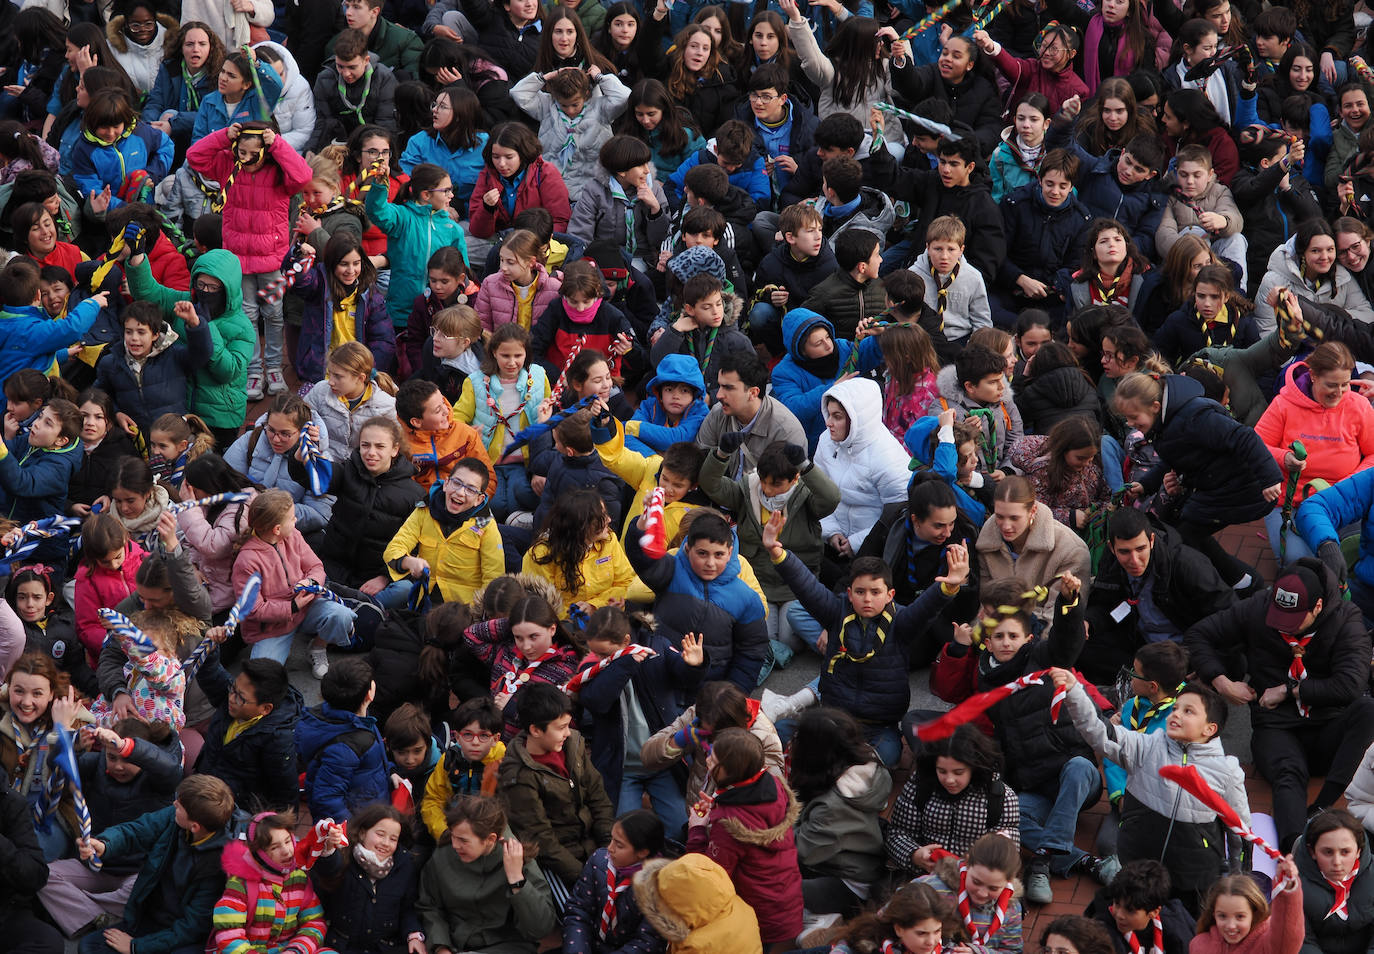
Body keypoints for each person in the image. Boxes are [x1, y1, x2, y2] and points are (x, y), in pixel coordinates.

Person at [1185, 562, 1374, 852]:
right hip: (1276, 728)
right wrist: (1222, 682)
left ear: (1318, 606)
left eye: (1295, 618)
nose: (1284, 625)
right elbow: (1200, 635)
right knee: (1288, 775)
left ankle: (1321, 809)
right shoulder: (1258, 607)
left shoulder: (1347, 620)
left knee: (1367, 710)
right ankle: (1294, 849)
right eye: (1280, 615)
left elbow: (1350, 684)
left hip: (1327, 726)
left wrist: (1289, 690)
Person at [1055, 665, 1248, 909]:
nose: (1176, 714)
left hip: (1193, 876)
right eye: (1175, 708)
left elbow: (1241, 832)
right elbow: (1099, 734)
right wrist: (1075, 693)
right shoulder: (1146, 748)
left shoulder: (1226, 771)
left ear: (1210, 728)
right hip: (1138, 867)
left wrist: (1239, 878)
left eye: (1188, 711)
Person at [1117, 371, 1283, 587]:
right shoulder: (1164, 422)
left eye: (1134, 417)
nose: (1130, 423)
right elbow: (1171, 457)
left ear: (1155, 407)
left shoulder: (1196, 417)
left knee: (1185, 535)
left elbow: (1245, 437)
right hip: (1214, 485)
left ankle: (1240, 584)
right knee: (1182, 532)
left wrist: (1269, 478)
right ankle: (1238, 581)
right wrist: (1147, 484)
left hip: (1239, 488)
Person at [76, 774, 236, 954]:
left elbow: (192, 926)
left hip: (180, 935)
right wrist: (105, 845)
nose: (174, 804)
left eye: (179, 805)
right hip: (148, 918)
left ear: (195, 827)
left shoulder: (217, 864)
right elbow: (138, 831)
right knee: (90, 947)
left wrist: (136, 947)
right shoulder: (177, 819)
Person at [1078, 508, 1233, 685]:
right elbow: (1106, 605)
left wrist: (1206, 663)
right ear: (1111, 548)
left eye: (1140, 549)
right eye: (1124, 552)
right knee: (1078, 645)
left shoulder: (1187, 564)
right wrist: (1088, 621)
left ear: (1151, 540)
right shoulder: (1111, 561)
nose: (1134, 561)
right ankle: (1144, 683)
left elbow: (1228, 616)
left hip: (1185, 653)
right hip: (1140, 645)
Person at [124, 246, 254, 452]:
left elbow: (227, 371)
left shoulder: (242, 326)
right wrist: (137, 256)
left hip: (220, 416)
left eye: (213, 288)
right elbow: (149, 292)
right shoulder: (185, 303)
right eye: (201, 284)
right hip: (181, 407)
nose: (205, 292)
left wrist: (203, 326)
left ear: (228, 289)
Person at [1255, 342, 1374, 562]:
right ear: (1312, 376)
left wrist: (1350, 485)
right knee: (1303, 563)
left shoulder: (1359, 406)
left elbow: (1372, 454)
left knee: (1353, 556)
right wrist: (1284, 458)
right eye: (1331, 385)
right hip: (1292, 504)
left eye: (1345, 384)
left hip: (1343, 500)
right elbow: (1255, 447)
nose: (1339, 393)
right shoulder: (1284, 404)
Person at [685, 726, 802, 951]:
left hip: (760, 919)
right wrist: (719, 805)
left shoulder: (731, 826)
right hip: (786, 902)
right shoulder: (772, 785)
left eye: (713, 758)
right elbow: (750, 814)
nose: (707, 759)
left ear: (729, 771)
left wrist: (697, 829)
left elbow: (708, 878)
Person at [500, 681, 614, 902]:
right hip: (560, 862)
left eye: (567, 725)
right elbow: (543, 841)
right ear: (535, 730)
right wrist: (587, 876)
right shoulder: (518, 775)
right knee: (583, 910)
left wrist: (609, 852)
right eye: (560, 728)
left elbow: (599, 799)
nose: (568, 734)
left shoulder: (574, 746)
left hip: (595, 848)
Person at [230, 489, 358, 674]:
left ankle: (318, 646)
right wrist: (292, 607)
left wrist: (311, 581)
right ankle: (281, 647)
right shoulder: (247, 561)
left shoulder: (293, 535)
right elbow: (253, 609)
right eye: (292, 518)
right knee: (261, 677)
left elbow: (315, 566)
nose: (295, 521)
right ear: (277, 529)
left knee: (342, 616)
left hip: (306, 608)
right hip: (272, 628)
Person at [416, 793, 558, 954]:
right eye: (453, 836)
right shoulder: (442, 855)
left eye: (463, 840)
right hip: (456, 945)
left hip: (508, 947)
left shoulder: (518, 858)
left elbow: (540, 928)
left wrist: (517, 880)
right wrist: (440, 946)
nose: (455, 845)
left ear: (490, 839)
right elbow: (429, 906)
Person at [789, 708, 892, 921]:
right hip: (852, 857)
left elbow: (802, 851)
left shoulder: (832, 806)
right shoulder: (870, 767)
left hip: (849, 881)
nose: (793, 743)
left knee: (774, 888)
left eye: (799, 739)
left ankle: (820, 925)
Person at [886, 724, 1020, 879]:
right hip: (924, 879)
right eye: (942, 771)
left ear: (974, 767)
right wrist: (914, 854)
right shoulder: (919, 786)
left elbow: (1010, 854)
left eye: (958, 772)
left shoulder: (1001, 798)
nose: (949, 780)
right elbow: (896, 833)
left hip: (976, 884)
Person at [210, 811, 330, 954]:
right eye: (274, 847)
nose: (286, 851)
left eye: (287, 841)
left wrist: (296, 949)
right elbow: (228, 934)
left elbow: (314, 922)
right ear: (259, 853)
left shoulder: (298, 877)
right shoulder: (241, 885)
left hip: (287, 948)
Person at [311, 802, 423, 954]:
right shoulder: (345, 857)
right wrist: (329, 850)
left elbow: (407, 908)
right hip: (343, 946)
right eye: (380, 834)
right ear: (363, 833)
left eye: (393, 839)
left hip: (385, 947)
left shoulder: (403, 866)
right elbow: (327, 871)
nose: (385, 843)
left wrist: (414, 934)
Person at [194, 657, 301, 810]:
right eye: (233, 689)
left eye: (240, 697)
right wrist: (211, 648)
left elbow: (285, 791)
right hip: (203, 787)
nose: (231, 698)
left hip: (233, 810)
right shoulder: (233, 699)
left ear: (265, 709)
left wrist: (282, 828)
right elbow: (210, 671)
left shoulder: (277, 740)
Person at [295, 657, 388, 821]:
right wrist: (353, 833)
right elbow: (327, 799)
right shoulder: (345, 748)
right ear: (369, 694)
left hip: (368, 806)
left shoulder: (355, 721)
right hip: (359, 822)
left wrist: (391, 771)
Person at [563, 809, 665, 954]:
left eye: (619, 845)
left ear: (643, 852)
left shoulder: (660, 885)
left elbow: (648, 941)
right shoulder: (599, 861)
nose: (610, 848)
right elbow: (578, 911)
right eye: (611, 839)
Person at [1292, 809, 1374, 954]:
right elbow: (1302, 941)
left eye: (1345, 852)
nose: (1337, 862)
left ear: (1358, 851)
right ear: (1312, 852)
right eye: (1328, 852)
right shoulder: (1293, 885)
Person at [1190, 859, 1304, 954]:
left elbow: (1286, 940)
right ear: (1213, 914)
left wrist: (1288, 889)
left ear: (1254, 913)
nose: (1231, 925)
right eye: (1222, 916)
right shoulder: (1199, 945)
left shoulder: (1266, 944)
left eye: (1240, 916)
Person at [1088, 860, 1195, 954]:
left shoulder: (1176, 927)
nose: (1119, 915)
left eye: (1130, 910)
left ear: (1154, 912)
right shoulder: (1101, 932)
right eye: (1116, 903)